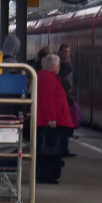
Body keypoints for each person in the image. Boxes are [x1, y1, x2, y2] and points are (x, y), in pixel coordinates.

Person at [34, 53, 73, 184]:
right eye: (58, 65)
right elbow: (48, 99)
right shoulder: (47, 78)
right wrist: (52, 118)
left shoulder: (48, 77)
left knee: (48, 148)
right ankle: (46, 174)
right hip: (49, 122)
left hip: (50, 120)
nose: (59, 67)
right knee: (49, 148)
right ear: (52, 66)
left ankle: (47, 174)